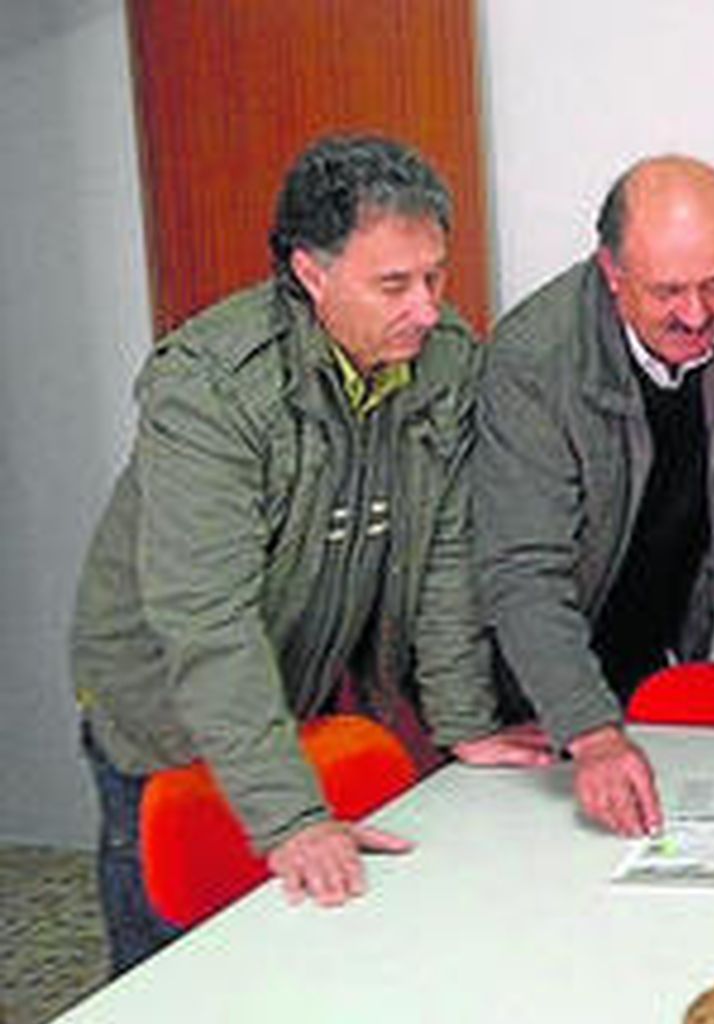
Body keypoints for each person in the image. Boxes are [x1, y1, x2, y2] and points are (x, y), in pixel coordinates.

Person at [71, 135, 552, 973]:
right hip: (160, 709)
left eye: (434, 276)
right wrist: (290, 817)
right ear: (311, 273)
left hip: (283, 689)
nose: (427, 308)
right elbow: (205, 618)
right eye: (393, 284)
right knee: (176, 972)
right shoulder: (212, 389)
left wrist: (465, 722)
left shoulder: (441, 363)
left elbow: (442, 553)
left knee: (294, 959)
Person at [475, 155, 714, 837]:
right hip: (543, 681)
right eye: (669, 291)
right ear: (612, 273)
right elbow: (523, 571)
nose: (698, 314)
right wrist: (592, 733)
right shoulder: (533, 359)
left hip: (658, 653)